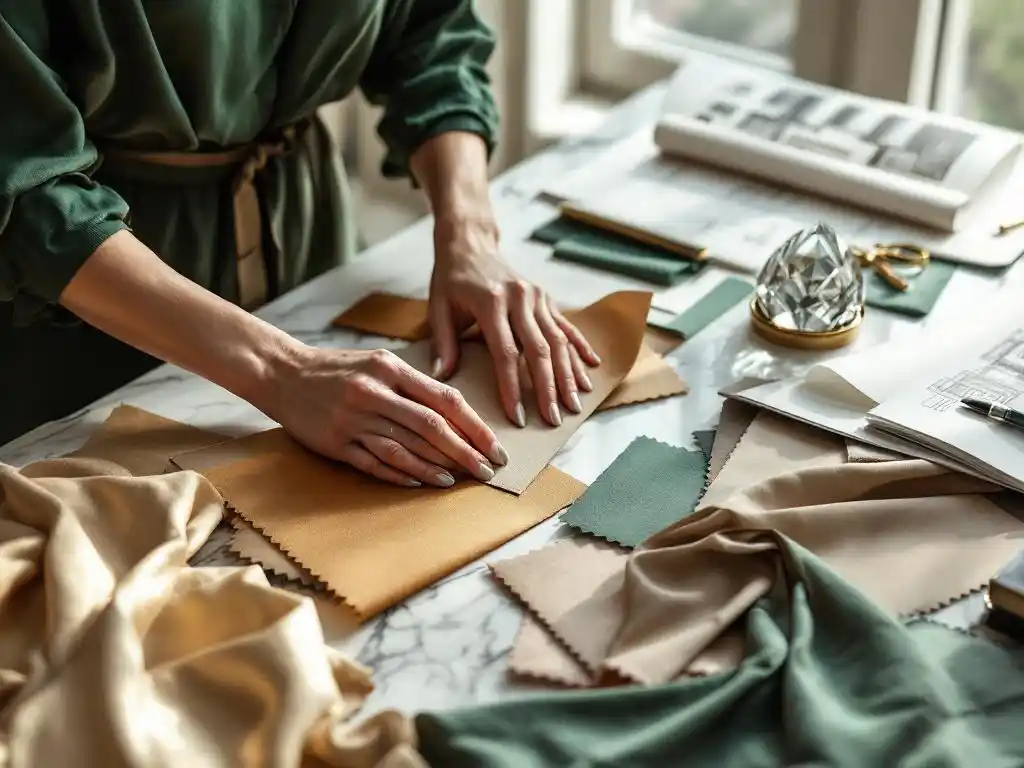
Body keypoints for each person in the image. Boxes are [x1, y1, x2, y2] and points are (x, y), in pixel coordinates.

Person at [0, 2, 600, 487]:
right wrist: (279, 368)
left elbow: (430, 33)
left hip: (311, 247)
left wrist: (469, 235)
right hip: (92, 316)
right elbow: (29, 191)